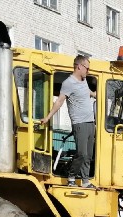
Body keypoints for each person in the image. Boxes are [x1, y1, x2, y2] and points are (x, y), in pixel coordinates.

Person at [40, 55, 96, 188]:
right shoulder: (68, 83)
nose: (88, 71)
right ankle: (71, 178)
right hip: (79, 123)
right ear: (79, 67)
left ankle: (85, 181)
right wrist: (48, 117)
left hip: (90, 122)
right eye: (87, 69)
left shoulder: (83, 81)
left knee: (88, 155)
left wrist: (95, 94)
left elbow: (86, 91)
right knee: (81, 153)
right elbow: (59, 101)